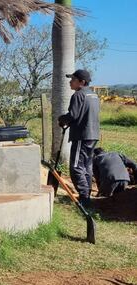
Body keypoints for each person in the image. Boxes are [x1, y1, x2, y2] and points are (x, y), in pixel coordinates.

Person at [58, 69, 100, 207]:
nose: (70, 82)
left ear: (81, 82)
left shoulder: (78, 95)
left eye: (73, 79)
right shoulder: (94, 95)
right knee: (87, 166)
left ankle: (84, 198)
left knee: (76, 166)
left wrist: (62, 119)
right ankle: (86, 196)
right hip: (93, 135)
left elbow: (73, 115)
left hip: (82, 136)